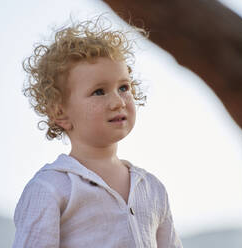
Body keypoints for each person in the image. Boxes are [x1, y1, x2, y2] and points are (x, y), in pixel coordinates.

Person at [12, 17, 183, 248]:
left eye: (123, 87)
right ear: (59, 112)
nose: (117, 102)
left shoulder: (152, 188)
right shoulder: (51, 188)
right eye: (99, 91)